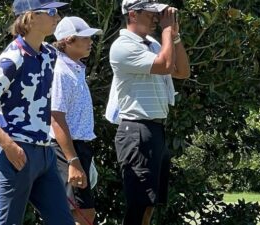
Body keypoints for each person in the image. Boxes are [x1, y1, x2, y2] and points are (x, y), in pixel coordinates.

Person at [0, 0, 75, 224]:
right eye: (52, 11)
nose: (58, 17)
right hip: (19, 153)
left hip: (46, 154)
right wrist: (8, 145)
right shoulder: (12, 58)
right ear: (30, 17)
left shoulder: (49, 54)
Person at [106, 0, 191, 224]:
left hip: (154, 129)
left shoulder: (153, 44)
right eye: (151, 13)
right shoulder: (123, 45)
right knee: (139, 204)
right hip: (136, 130)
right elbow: (163, 65)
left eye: (158, 14)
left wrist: (174, 36)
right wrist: (166, 30)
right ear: (133, 15)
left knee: (149, 205)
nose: (156, 18)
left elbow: (182, 71)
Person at [50, 16, 102, 225]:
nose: (90, 41)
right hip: (65, 150)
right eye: (85, 37)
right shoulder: (61, 71)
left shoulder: (75, 68)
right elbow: (56, 117)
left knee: (80, 214)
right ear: (68, 41)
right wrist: (73, 160)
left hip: (76, 147)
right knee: (81, 214)